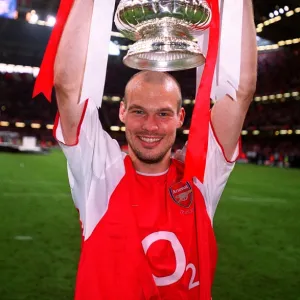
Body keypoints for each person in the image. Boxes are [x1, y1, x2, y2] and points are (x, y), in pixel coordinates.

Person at [53, 0, 257, 299]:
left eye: (162, 113)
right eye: (138, 111)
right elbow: (68, 87)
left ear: (180, 118)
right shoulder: (99, 173)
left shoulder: (201, 176)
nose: (150, 126)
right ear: (122, 112)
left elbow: (240, 92)